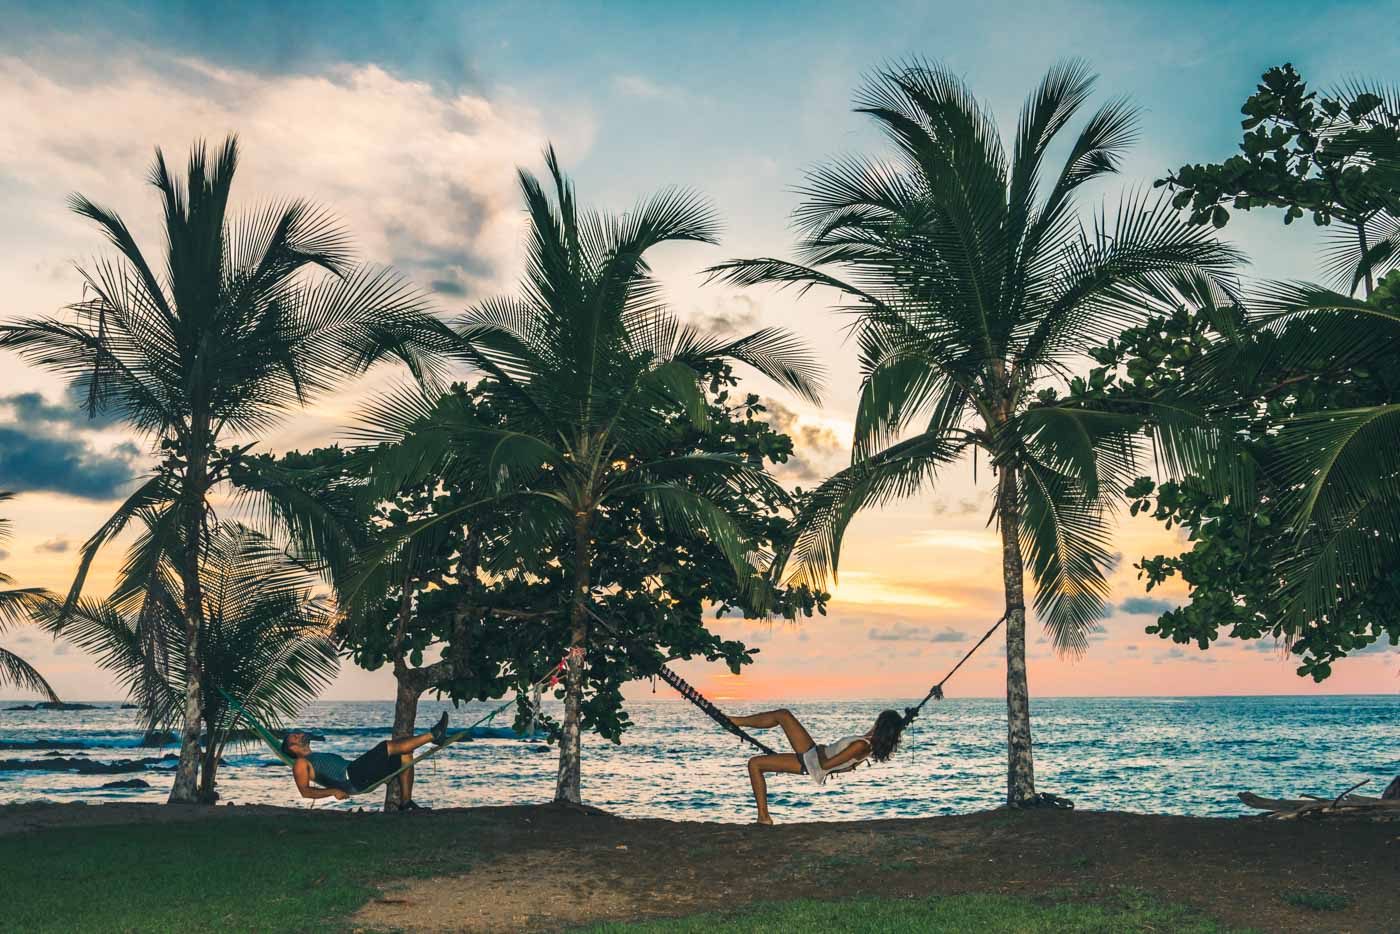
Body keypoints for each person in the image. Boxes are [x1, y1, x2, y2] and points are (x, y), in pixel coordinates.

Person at [729, 707, 906, 825]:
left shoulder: (862, 746)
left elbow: (826, 764)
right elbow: (846, 762)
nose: (874, 723)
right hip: (812, 759)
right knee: (755, 764)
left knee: (783, 715)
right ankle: (763, 818)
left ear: (881, 724)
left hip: (814, 760)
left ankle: (736, 721)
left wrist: (821, 749)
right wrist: (905, 721)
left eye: (878, 721)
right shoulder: (868, 742)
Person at [281, 711, 450, 811]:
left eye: (297, 733)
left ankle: (406, 803)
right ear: (293, 748)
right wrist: (332, 792)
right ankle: (434, 735)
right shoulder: (301, 764)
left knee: (405, 756)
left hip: (358, 774)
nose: (300, 734)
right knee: (386, 747)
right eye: (295, 737)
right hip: (352, 777)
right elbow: (305, 792)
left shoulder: (314, 756)